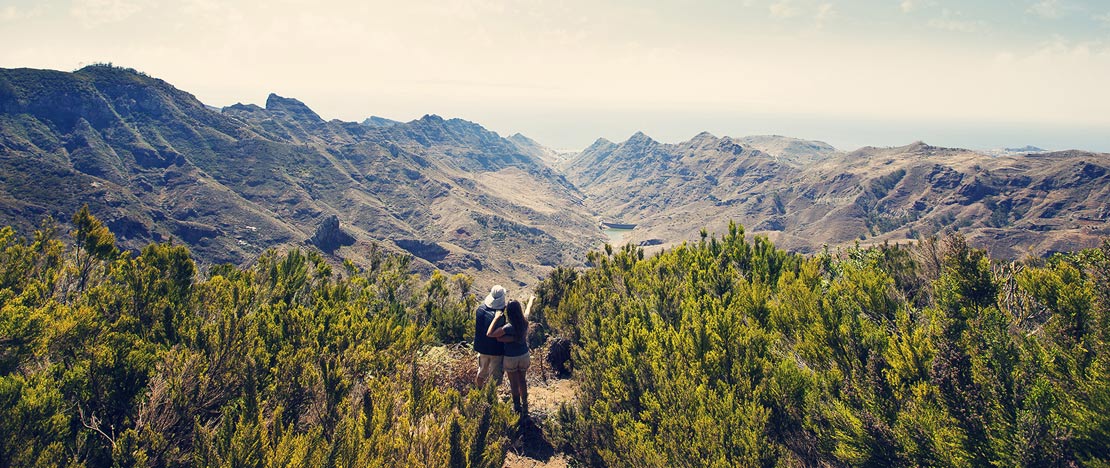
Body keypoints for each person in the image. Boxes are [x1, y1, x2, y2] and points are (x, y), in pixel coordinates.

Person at [487, 299, 530, 415]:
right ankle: (525, 405)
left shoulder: (508, 327)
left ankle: (517, 407)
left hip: (511, 357)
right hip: (524, 355)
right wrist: (531, 300)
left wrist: (496, 318)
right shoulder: (525, 322)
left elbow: (490, 334)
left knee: (514, 383)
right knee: (522, 380)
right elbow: (528, 309)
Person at [474, 285, 507, 386]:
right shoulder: (500, 316)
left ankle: (478, 391)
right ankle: (492, 394)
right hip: (496, 351)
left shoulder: (480, 310)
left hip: (482, 349)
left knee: (481, 372)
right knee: (495, 377)